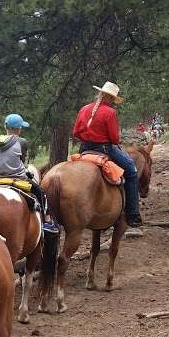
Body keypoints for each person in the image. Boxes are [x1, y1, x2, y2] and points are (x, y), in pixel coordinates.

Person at [71, 81, 144, 227]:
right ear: (111, 98)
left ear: (100, 93)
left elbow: (75, 133)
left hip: (84, 149)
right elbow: (114, 139)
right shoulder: (110, 112)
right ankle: (133, 214)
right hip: (105, 149)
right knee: (131, 171)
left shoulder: (84, 109)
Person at [0, 113, 56, 232]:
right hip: (17, 176)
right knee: (41, 193)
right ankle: (47, 220)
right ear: (19, 129)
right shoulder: (22, 142)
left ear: (5, 127)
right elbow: (21, 160)